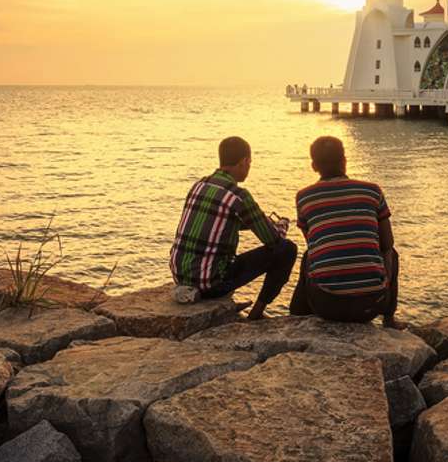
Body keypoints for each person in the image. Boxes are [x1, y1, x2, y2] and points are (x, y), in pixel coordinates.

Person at [169, 136, 297, 320]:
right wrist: (281, 226)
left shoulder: (199, 185)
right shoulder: (239, 196)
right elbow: (273, 240)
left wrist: (259, 221)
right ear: (244, 161)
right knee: (287, 249)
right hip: (211, 284)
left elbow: (220, 222)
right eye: (250, 163)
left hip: (180, 276)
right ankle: (256, 314)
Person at [289, 136, 404, 327]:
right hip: (372, 305)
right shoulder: (372, 191)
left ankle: (297, 315)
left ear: (314, 166)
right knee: (392, 253)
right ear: (344, 161)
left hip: (326, 306)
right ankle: (389, 317)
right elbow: (387, 243)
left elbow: (313, 244)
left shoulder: (304, 197)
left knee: (310, 255)